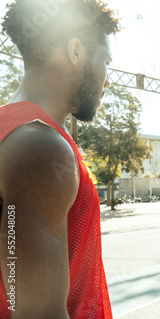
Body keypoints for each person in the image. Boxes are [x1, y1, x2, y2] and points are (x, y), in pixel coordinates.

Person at [0, 1, 120, 318]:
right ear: (75, 51)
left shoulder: (14, 130)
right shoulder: (42, 147)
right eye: (105, 60)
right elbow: (37, 314)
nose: (107, 80)